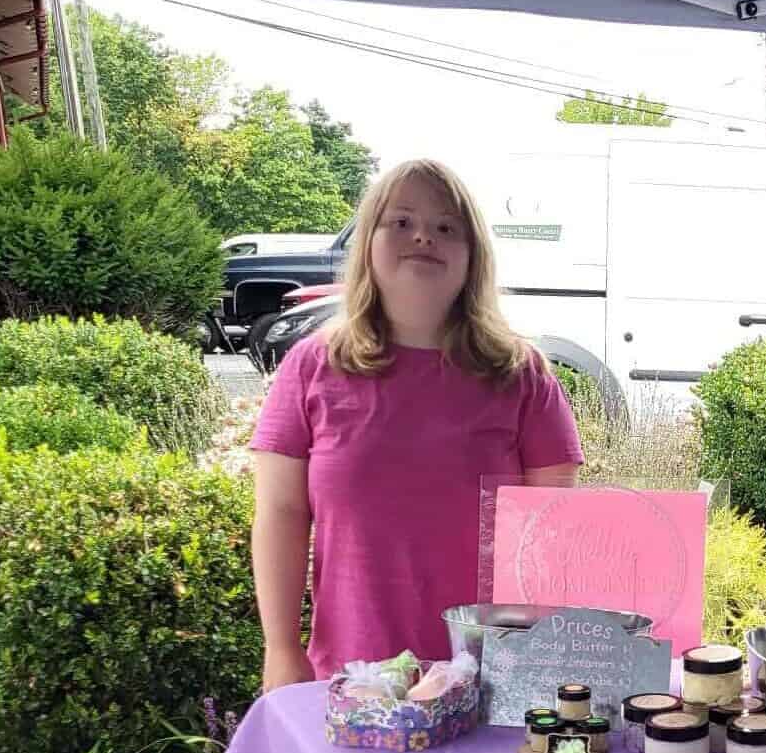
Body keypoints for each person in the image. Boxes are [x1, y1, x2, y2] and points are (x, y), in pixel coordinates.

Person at [249, 159, 584, 693]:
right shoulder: (312, 367)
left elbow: (555, 533)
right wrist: (281, 649)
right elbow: (282, 515)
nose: (424, 235)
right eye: (401, 222)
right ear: (367, 243)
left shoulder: (522, 376)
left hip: (492, 681)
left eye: (447, 226)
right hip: (351, 683)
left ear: (473, 256)